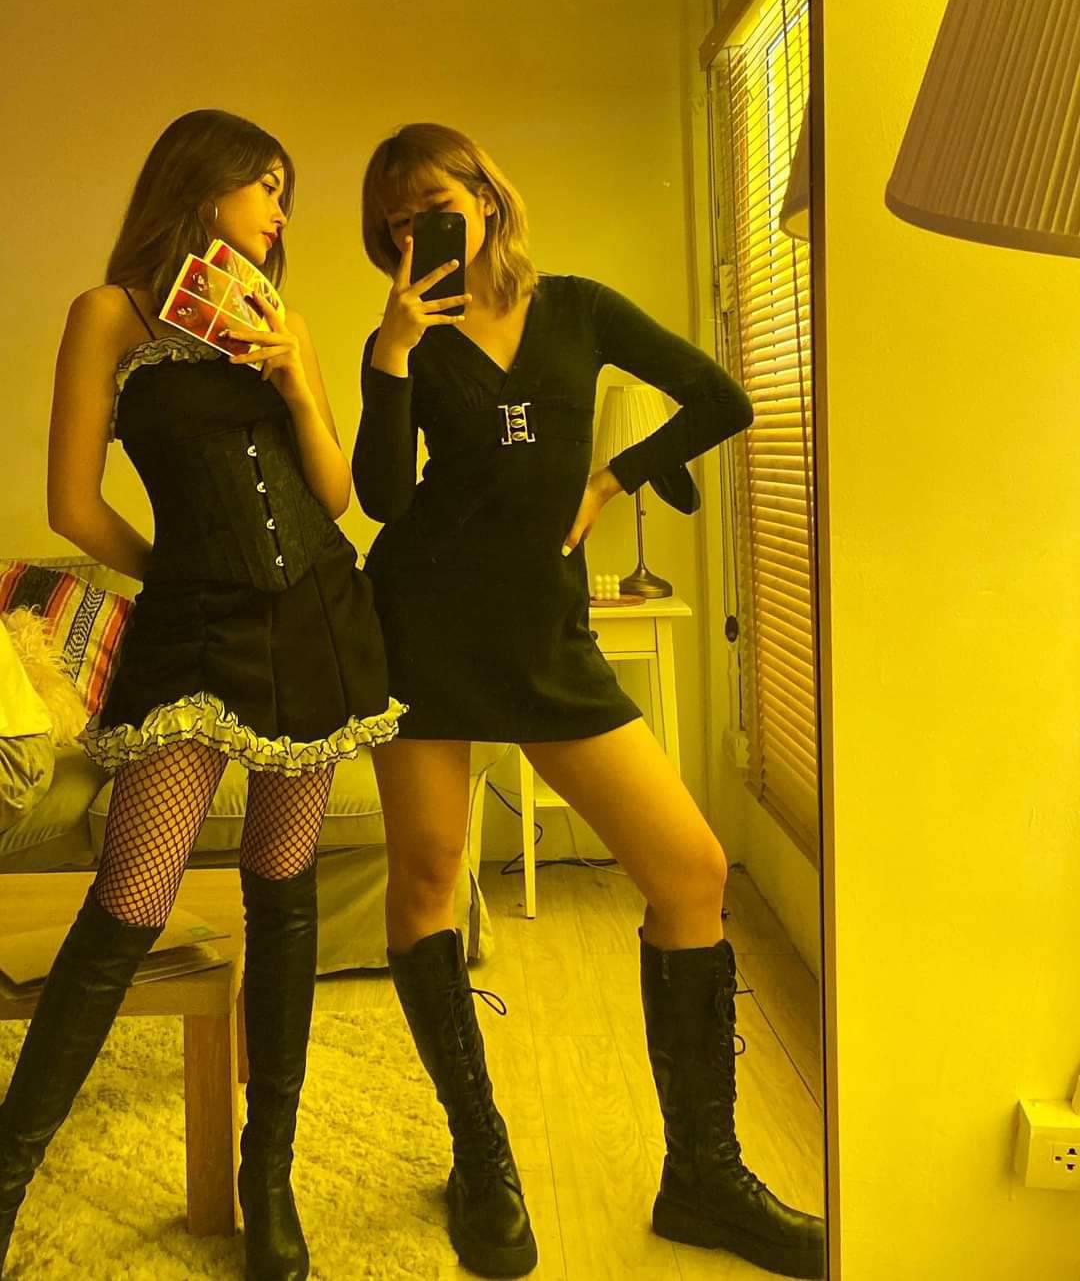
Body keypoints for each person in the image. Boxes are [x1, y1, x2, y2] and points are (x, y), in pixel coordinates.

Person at [352, 123, 825, 1281]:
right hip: (423, 627)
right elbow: (383, 499)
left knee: (691, 872)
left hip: (547, 633)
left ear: (487, 197)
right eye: (399, 219)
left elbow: (720, 398)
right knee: (427, 880)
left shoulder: (578, 309)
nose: (421, 228)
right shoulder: (405, 338)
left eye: (438, 202)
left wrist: (612, 479)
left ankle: (703, 1174)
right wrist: (394, 354)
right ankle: (481, 1156)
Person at [0, 109, 403, 1281]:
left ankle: (267, 1179)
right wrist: (176, 580)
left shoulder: (278, 321)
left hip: (316, 613)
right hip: (197, 626)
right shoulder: (110, 317)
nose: (280, 210)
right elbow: (74, 505)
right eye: (264, 184)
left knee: (284, 888)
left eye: (285, 190)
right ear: (202, 181)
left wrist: (300, 379)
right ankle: (8, 1173)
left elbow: (334, 494)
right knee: (132, 897)